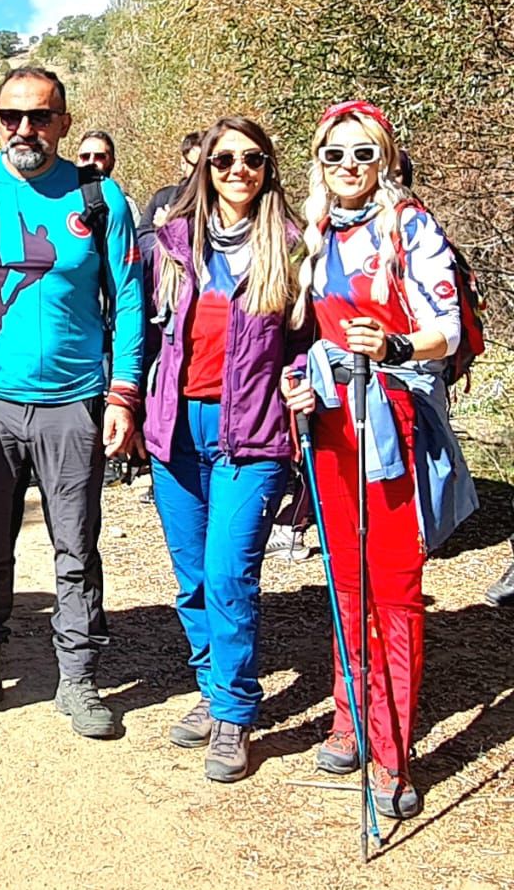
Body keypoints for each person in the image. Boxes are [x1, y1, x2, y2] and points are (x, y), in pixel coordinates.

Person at [283, 100, 477, 820]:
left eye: (363, 153)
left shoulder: (410, 225)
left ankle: (392, 750)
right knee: (345, 579)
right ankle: (349, 716)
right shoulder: (319, 231)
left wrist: (393, 347)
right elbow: (310, 333)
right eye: (334, 154)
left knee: (393, 589)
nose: (349, 168)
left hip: (391, 422)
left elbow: (447, 330)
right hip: (333, 420)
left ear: (386, 158)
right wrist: (300, 378)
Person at [0, 66, 145, 739]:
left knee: (76, 547)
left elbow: (132, 302)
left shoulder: (99, 197)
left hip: (74, 402)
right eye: (10, 116)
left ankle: (79, 678)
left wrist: (123, 393)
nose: (24, 130)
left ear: (62, 121)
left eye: (39, 117)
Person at [144, 117, 305, 782]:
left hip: (253, 435)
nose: (238, 170)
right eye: (224, 160)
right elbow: (148, 333)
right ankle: (212, 693)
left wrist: (303, 384)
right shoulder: (174, 242)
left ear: (269, 169)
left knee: (232, 575)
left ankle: (236, 713)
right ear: (203, 168)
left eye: (253, 159)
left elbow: (308, 341)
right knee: (193, 582)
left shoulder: (292, 249)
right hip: (177, 432)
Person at [137, 131, 203, 260]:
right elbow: (140, 241)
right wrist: (163, 233)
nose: (202, 173)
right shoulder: (164, 198)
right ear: (183, 163)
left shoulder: (222, 203)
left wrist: (171, 229)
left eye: (207, 166)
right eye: (197, 166)